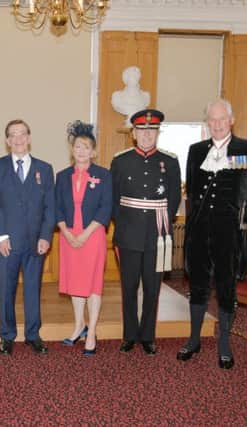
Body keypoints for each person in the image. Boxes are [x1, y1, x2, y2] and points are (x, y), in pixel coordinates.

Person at [178, 99, 247, 369]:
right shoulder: (195, 151)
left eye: (221, 119)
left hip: (230, 232)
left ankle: (224, 344)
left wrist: (237, 218)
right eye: (211, 120)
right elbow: (191, 190)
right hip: (199, 230)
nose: (216, 124)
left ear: (231, 120)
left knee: (226, 286)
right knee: (198, 285)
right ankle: (194, 339)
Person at [110, 109, 181, 355]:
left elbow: (173, 200)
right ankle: (130, 335)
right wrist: (123, 227)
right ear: (133, 133)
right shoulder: (120, 161)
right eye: (142, 130)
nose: (147, 135)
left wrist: (161, 224)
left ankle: (148, 335)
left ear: (158, 132)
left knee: (152, 288)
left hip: (156, 235)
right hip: (128, 235)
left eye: (152, 130)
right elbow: (113, 201)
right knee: (128, 287)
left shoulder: (170, 162)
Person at [0, 119, 55, 355]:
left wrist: (46, 236)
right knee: (6, 290)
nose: (18, 139)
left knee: (33, 289)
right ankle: (7, 335)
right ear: (7, 141)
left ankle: (33, 334)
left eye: (22, 134)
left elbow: (50, 207)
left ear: (29, 137)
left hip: (35, 242)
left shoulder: (44, 169)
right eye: (13, 135)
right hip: (7, 242)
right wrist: (0, 237)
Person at [56, 121, 112, 356]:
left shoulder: (104, 175)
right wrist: (67, 232)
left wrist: (86, 233)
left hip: (93, 234)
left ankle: (91, 332)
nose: (81, 151)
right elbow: (56, 207)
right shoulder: (62, 175)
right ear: (72, 149)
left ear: (93, 151)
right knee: (76, 284)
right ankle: (78, 325)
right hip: (68, 235)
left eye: (86, 147)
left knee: (92, 284)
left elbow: (106, 207)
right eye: (78, 147)